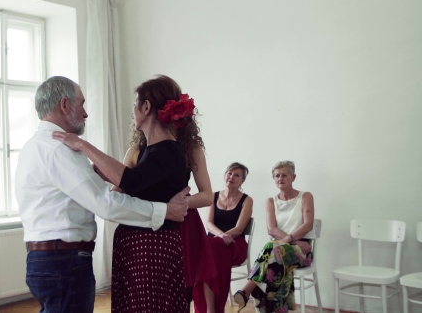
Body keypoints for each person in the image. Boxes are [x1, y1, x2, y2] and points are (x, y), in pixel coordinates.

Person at [15, 76, 190, 313]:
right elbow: (105, 203)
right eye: (82, 104)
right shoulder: (58, 149)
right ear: (65, 105)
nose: (86, 114)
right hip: (63, 261)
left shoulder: (34, 145)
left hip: (48, 258)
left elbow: (128, 184)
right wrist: (165, 210)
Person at [115, 78, 217, 310]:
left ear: (149, 107)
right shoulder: (136, 150)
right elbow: (121, 188)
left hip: (182, 225)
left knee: (178, 294)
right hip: (145, 228)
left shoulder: (190, 147)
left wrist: (173, 206)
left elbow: (207, 195)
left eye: (136, 104)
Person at [233, 161, 314, 313]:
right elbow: (271, 230)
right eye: (277, 176)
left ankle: (248, 288)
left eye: (284, 175)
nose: (280, 178)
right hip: (278, 252)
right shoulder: (271, 201)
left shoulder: (305, 196)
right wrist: (290, 240)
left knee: (272, 248)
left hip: (302, 251)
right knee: (276, 258)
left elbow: (308, 225)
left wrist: (290, 241)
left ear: (293, 177)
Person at [193, 162, 253, 313]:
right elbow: (208, 223)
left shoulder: (247, 200)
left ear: (242, 181)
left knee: (208, 251)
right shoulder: (213, 196)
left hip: (235, 243)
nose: (231, 177)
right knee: (203, 249)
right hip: (215, 242)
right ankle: (208, 307)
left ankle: (211, 309)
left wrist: (225, 236)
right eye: (229, 173)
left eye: (236, 175)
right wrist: (221, 235)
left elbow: (239, 228)